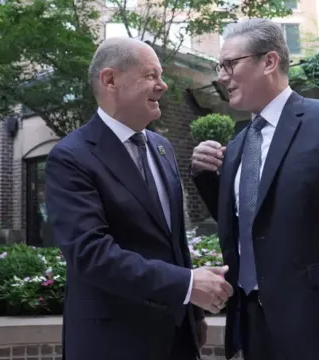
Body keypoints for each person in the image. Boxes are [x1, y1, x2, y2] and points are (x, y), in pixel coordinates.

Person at [190, 19, 319, 360]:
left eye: (229, 64)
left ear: (269, 62)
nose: (222, 76)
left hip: (318, 326)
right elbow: (248, 221)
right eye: (219, 67)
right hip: (252, 326)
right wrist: (205, 176)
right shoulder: (236, 146)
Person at [45, 37, 233, 360]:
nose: (162, 86)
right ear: (110, 80)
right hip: (114, 343)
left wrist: (194, 315)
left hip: (178, 339)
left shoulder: (163, 149)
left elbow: (174, 244)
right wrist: (186, 285)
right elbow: (92, 254)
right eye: (151, 75)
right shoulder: (70, 158)